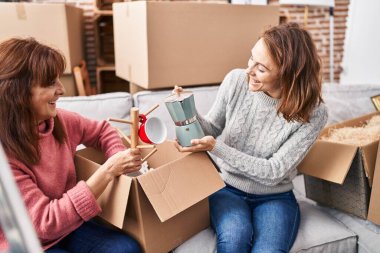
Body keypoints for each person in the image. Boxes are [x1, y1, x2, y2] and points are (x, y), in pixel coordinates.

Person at [175, 22, 328, 253]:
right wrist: (189, 109)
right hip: (226, 188)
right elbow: (212, 128)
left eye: (261, 68)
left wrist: (217, 148)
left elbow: (274, 171)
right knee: (235, 239)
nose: (249, 70)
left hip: (275, 197)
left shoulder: (314, 112)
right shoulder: (236, 80)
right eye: (251, 59)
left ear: (288, 75)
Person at [0, 37, 142, 252]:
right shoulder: (5, 155)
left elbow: (104, 130)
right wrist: (108, 171)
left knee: (126, 248)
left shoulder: (61, 121)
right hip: (31, 241)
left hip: (71, 226)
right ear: (17, 93)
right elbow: (46, 223)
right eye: (50, 83)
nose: (62, 90)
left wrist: (119, 158)